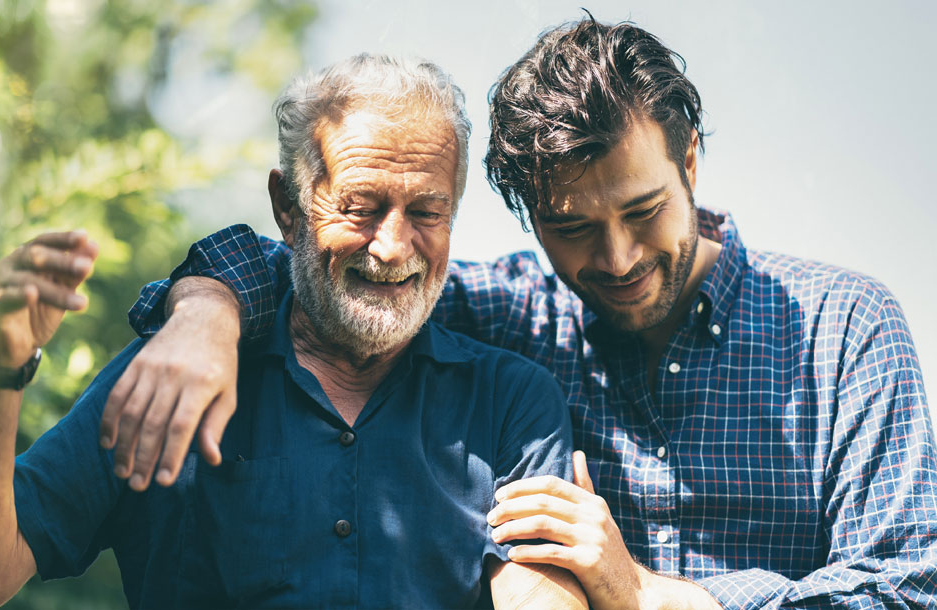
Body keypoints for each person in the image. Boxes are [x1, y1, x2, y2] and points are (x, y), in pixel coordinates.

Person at [106, 15, 937, 610]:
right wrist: (204, 311)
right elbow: (324, 268)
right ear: (526, 214)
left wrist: (646, 595)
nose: (615, 259)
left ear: (690, 159)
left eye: (643, 211)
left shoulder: (846, 329)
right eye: (572, 228)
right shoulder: (505, 318)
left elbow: (906, 587)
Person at [0, 54, 589, 610]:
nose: (391, 246)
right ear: (287, 208)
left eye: (427, 211)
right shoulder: (170, 371)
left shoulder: (512, 401)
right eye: (360, 208)